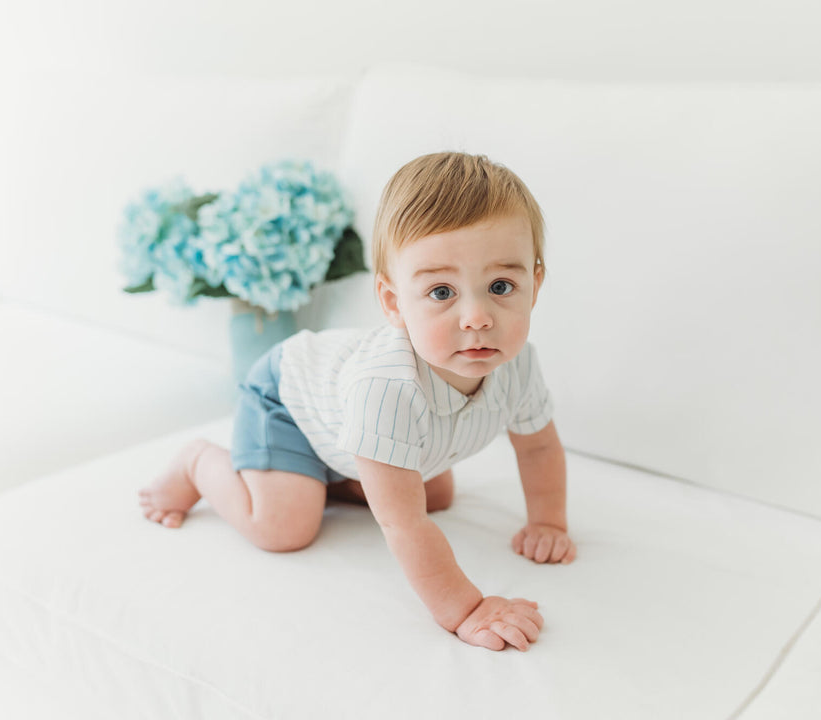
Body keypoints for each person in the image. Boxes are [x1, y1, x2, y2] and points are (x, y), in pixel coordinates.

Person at [138, 151, 576, 652]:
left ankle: (341, 474)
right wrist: (467, 608)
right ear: (393, 303)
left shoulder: (517, 364)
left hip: (340, 417)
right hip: (288, 402)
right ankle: (198, 463)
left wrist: (547, 521)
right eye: (440, 292)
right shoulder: (386, 388)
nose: (476, 317)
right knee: (284, 526)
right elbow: (402, 523)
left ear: (534, 285)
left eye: (501, 286)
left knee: (436, 495)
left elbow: (538, 448)